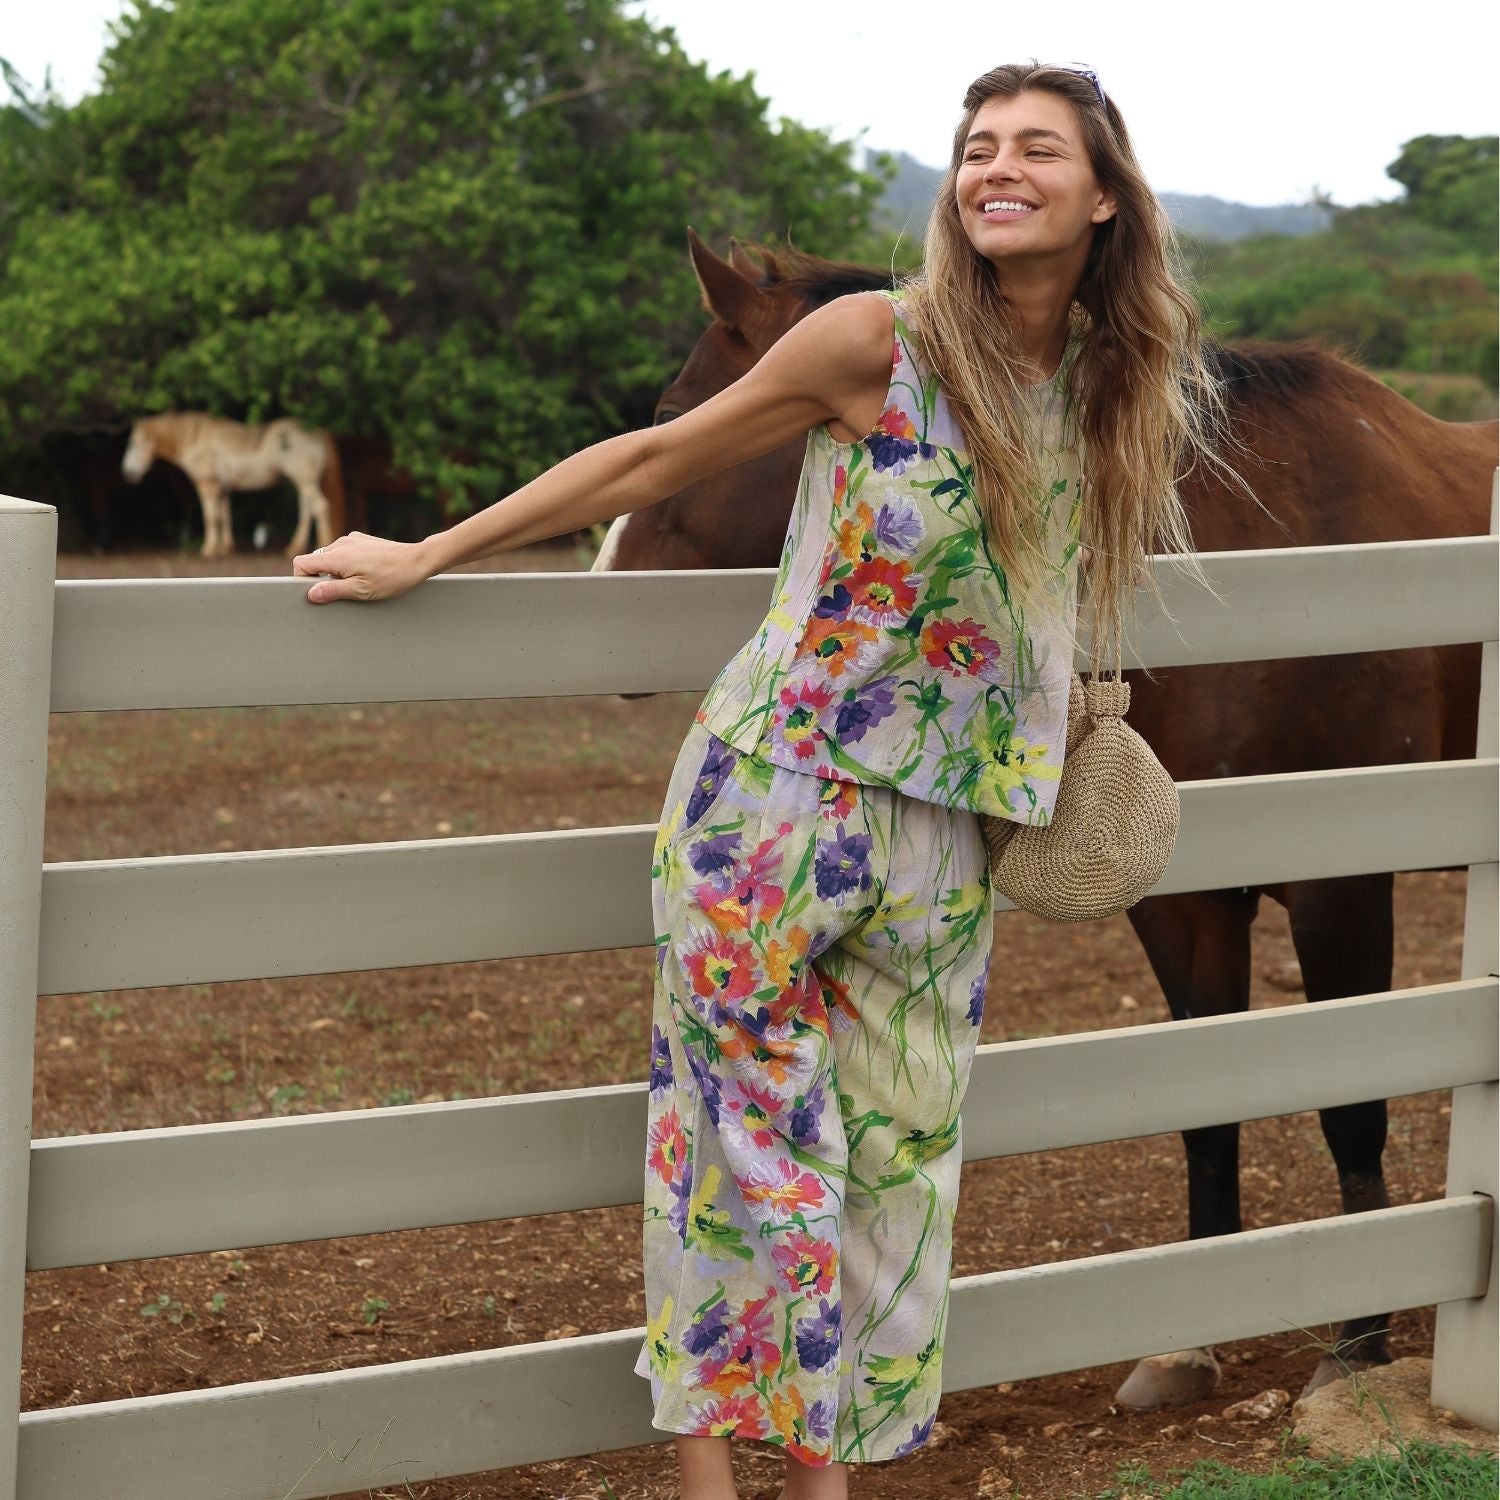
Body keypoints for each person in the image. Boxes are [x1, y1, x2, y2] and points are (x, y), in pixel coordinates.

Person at [295, 59, 1227, 1500]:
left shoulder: (1115, 378)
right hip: (774, 808)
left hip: (949, 835)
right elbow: (661, 453)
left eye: (1038, 149)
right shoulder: (877, 342)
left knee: (896, 1173)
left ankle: (828, 1482)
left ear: (1105, 195)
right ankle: (712, 1487)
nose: (999, 167)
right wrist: (427, 550)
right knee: (745, 1162)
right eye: (978, 145)